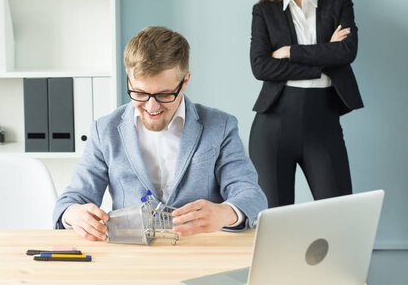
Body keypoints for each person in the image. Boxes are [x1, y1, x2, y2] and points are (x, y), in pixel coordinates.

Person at [54, 26, 267, 240]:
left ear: (185, 81)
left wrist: (226, 213)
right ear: (129, 81)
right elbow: (72, 199)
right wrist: (75, 213)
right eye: (139, 93)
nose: (151, 106)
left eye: (164, 94)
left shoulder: (220, 126)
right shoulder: (104, 131)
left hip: (202, 252)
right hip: (132, 256)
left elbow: (251, 195)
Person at [249, 0, 363, 208]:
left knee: (337, 215)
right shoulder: (265, 12)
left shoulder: (339, 4)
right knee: (275, 223)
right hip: (272, 126)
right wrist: (323, 57)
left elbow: (347, 52)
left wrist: (291, 52)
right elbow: (261, 67)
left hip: (323, 123)